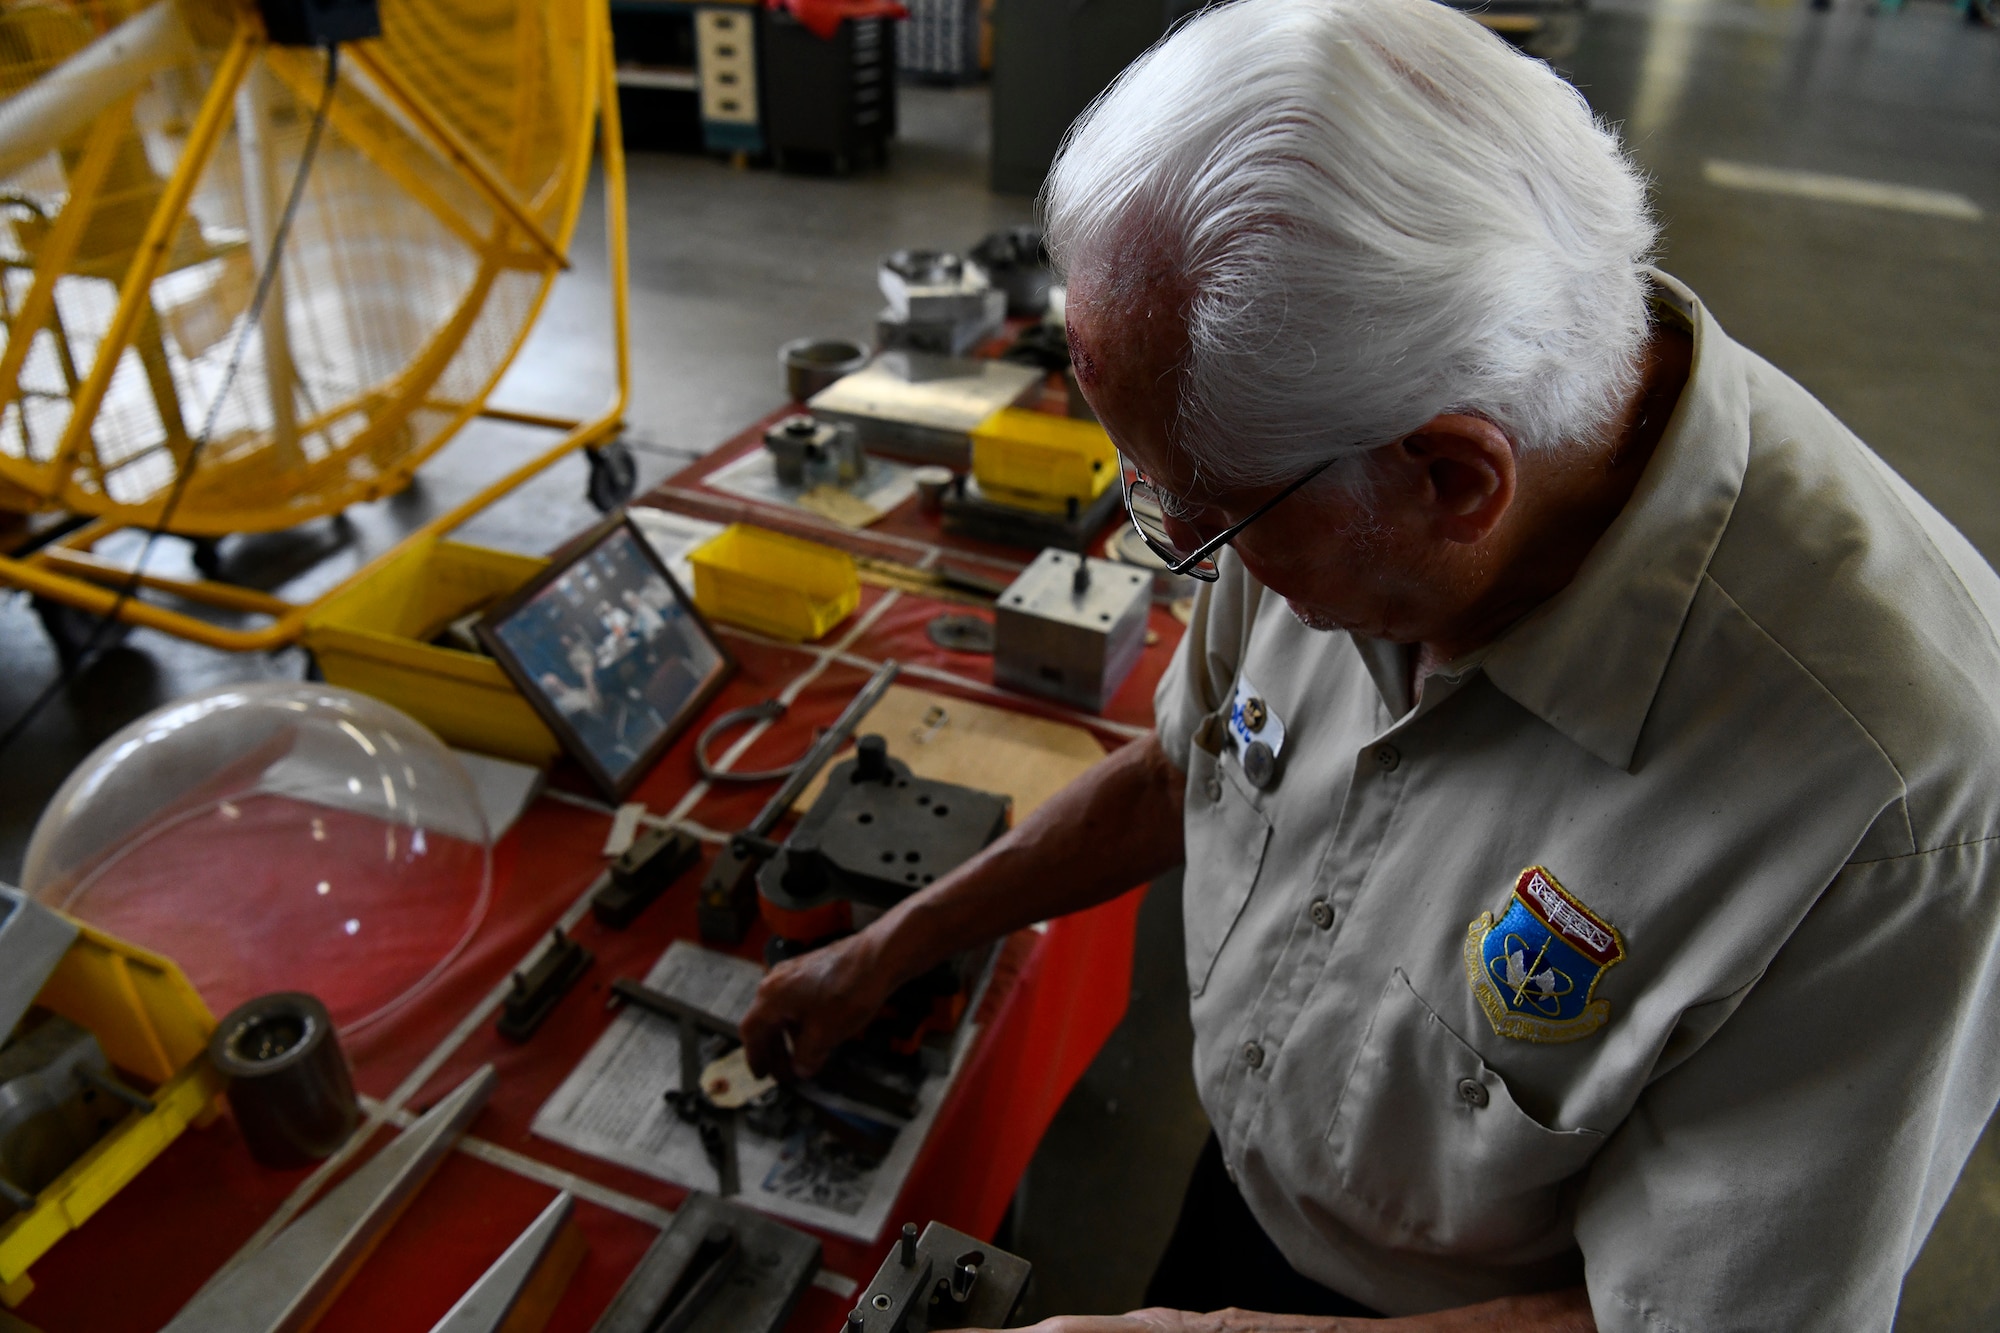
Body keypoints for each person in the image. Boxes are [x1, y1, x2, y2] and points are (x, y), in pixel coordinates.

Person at [739, 0, 2000, 1326]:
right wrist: (895, 942)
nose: (1165, 538)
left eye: (1195, 504)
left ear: (1452, 479)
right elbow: (1193, 769)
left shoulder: (1893, 808)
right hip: (1253, 1191)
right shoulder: (1330, 460)